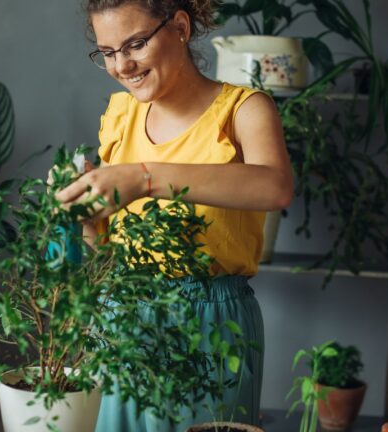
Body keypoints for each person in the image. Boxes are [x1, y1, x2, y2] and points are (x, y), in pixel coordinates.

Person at [54, 0, 294, 430]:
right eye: (107, 52)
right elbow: (101, 257)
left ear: (180, 27)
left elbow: (275, 186)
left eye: (135, 44)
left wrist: (144, 178)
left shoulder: (243, 110)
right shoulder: (119, 117)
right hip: (122, 322)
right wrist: (85, 219)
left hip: (212, 324)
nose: (122, 65)